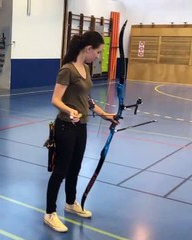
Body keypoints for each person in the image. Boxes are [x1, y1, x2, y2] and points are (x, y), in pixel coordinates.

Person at [44, 31, 118, 232]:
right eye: (98, 52)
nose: (98, 56)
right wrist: (70, 110)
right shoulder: (67, 70)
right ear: (88, 49)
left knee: (75, 168)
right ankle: (50, 213)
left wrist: (106, 115)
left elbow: (87, 100)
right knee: (60, 171)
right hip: (65, 126)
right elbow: (55, 99)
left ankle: (70, 202)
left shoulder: (85, 68)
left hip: (81, 126)